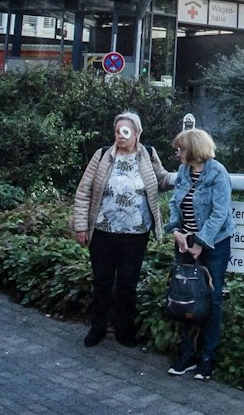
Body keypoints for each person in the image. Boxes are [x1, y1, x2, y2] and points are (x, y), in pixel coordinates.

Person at [69, 112, 172, 348]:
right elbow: (84, 190)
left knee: (127, 283)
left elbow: (162, 180)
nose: (120, 136)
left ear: (137, 134)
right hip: (103, 231)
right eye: (117, 131)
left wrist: (185, 173)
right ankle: (98, 327)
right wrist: (81, 226)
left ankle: (124, 330)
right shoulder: (102, 155)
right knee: (102, 282)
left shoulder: (148, 155)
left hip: (135, 234)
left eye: (125, 131)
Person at [165, 126, 233, 380]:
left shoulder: (218, 173)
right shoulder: (183, 171)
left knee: (212, 299)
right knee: (187, 297)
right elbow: (174, 203)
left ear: (193, 149)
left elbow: (220, 212)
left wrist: (200, 242)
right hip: (185, 242)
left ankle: (207, 357)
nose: (178, 154)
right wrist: (176, 231)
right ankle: (188, 354)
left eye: (181, 149)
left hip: (214, 245)